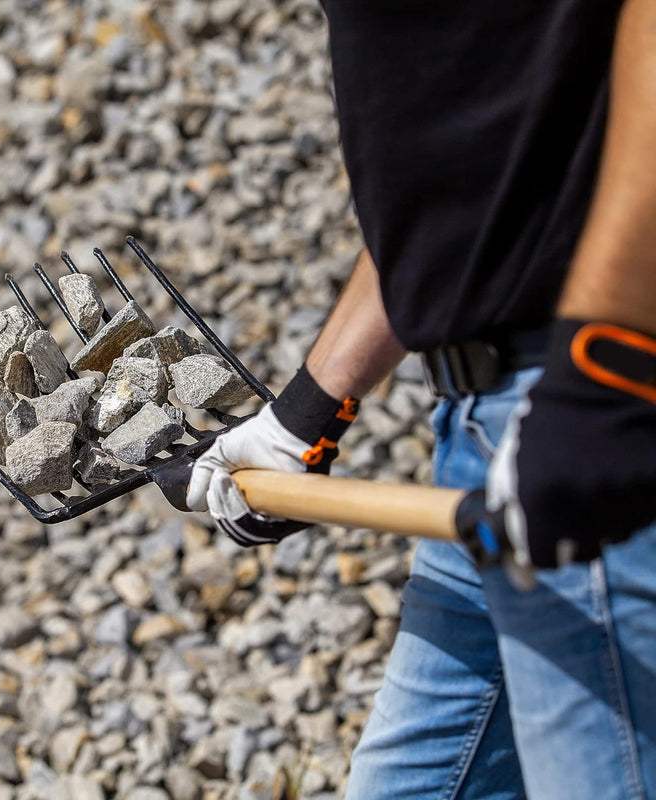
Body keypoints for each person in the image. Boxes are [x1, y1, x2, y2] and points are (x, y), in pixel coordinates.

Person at [187, 0, 656, 797]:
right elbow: (484, 180)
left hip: (595, 403)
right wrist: (305, 413)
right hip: (487, 428)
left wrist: (606, 372)